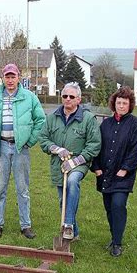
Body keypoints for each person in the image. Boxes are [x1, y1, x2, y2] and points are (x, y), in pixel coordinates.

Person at [0, 63, 46, 239]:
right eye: (7, 77)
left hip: (20, 149)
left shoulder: (29, 97)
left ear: (19, 77)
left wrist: (29, 141)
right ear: (3, 78)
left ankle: (26, 225)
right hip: (1, 148)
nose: (10, 80)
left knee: (22, 189)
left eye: (13, 76)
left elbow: (41, 120)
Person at [39, 82, 101, 241]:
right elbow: (43, 138)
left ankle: (68, 225)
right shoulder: (52, 118)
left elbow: (94, 144)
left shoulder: (88, 119)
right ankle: (75, 233)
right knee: (63, 201)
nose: (67, 99)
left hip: (79, 163)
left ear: (78, 99)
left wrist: (75, 162)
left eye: (71, 97)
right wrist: (57, 149)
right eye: (64, 96)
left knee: (73, 182)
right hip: (58, 164)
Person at [91, 86, 137, 257]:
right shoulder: (106, 124)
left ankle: (117, 243)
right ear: (113, 104)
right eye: (118, 102)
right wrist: (97, 168)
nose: (121, 106)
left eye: (125, 103)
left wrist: (125, 169)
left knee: (118, 205)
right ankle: (114, 236)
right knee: (109, 207)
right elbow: (97, 146)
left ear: (130, 105)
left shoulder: (136, 125)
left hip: (123, 176)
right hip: (105, 174)